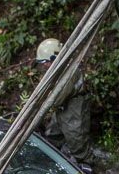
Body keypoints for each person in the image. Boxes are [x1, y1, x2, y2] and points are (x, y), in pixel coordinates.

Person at [35, 38, 95, 166]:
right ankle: (52, 162)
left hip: (75, 106)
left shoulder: (69, 71)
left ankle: (89, 169)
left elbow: (56, 99)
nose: (45, 65)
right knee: (53, 135)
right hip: (62, 107)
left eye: (46, 61)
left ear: (55, 56)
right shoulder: (58, 68)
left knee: (76, 139)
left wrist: (42, 103)